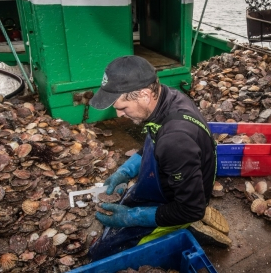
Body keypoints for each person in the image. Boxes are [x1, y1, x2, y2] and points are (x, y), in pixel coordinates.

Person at [88, 55, 230, 260]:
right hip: (166, 178)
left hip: (178, 205)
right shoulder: (166, 97)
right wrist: (125, 171)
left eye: (121, 107)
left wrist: (131, 217)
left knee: (102, 255)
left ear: (144, 94)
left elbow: (190, 209)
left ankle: (185, 230)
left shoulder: (175, 140)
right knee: (113, 210)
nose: (118, 115)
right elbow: (153, 141)